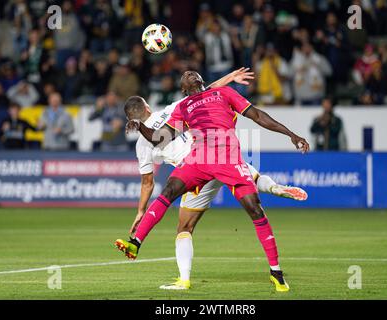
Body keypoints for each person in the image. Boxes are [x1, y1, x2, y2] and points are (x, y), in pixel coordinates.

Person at [115, 70, 310, 292]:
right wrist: (140, 127)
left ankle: (276, 272)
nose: (188, 72)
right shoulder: (182, 106)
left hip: (226, 157)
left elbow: (257, 115)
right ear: (183, 89)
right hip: (198, 160)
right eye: (185, 75)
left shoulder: (221, 93)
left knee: (254, 209)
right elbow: (161, 139)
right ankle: (135, 243)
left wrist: (291, 134)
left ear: (201, 81)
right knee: (169, 190)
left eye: (193, 72)